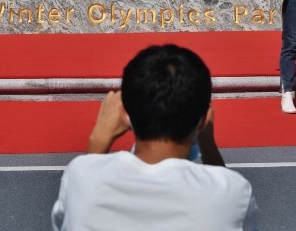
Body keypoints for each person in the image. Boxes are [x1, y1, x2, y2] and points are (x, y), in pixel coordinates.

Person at [51, 44, 259, 231]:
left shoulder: (80, 176)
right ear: (203, 121)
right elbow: (223, 190)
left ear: (124, 114)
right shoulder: (234, 192)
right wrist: (208, 143)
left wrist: (98, 140)